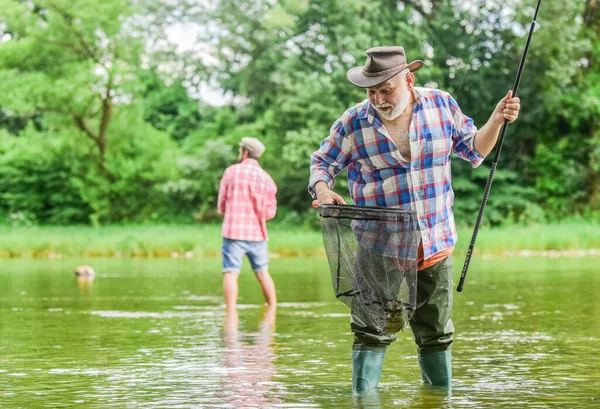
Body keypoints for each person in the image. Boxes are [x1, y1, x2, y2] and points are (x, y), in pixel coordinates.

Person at [308, 46, 521, 390]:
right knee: (371, 331)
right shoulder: (353, 122)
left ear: (408, 79)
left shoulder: (441, 104)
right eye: (371, 91)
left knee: (436, 333)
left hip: (435, 242)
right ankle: (364, 398)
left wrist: (496, 120)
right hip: (379, 247)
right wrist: (321, 189)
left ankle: (440, 398)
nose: (378, 99)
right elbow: (322, 162)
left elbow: (474, 148)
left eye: (386, 90)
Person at [218, 137, 278, 310]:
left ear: (245, 152)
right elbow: (270, 213)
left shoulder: (230, 172)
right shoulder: (266, 178)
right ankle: (272, 309)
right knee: (262, 273)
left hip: (233, 233)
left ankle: (230, 313)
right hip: (257, 235)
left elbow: (221, 205)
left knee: (230, 273)